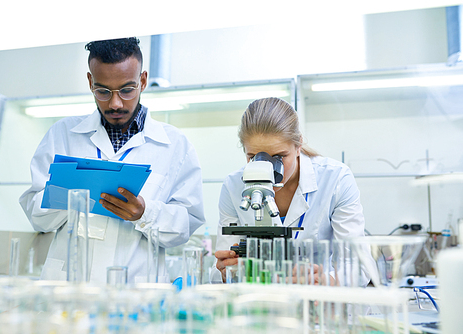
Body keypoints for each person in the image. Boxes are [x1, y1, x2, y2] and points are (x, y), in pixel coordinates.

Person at [20, 37, 205, 284]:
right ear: (90, 82)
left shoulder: (175, 146)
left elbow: (185, 226)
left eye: (127, 90)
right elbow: (36, 216)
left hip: (136, 291)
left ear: (142, 80)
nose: (115, 103)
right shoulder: (62, 134)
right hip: (68, 289)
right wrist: (69, 197)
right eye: (103, 91)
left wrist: (144, 213)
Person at [213, 97, 372, 286]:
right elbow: (220, 269)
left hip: (316, 304)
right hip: (262, 304)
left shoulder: (335, 179)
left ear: (298, 146)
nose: (268, 169)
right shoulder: (234, 186)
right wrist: (228, 271)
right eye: (254, 157)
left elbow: (358, 267)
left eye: (279, 157)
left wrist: (326, 281)